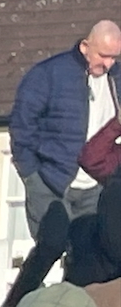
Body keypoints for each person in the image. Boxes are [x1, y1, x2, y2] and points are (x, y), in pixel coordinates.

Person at [8, 20, 121, 239]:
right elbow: (22, 125)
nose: (108, 64)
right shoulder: (48, 74)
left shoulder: (118, 79)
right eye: (103, 55)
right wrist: (31, 174)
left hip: (98, 186)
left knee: (89, 262)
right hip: (51, 181)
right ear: (85, 46)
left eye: (114, 57)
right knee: (49, 250)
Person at [3, 170, 121, 307]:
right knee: (51, 246)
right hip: (52, 180)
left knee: (82, 258)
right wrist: (29, 170)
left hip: (94, 185)